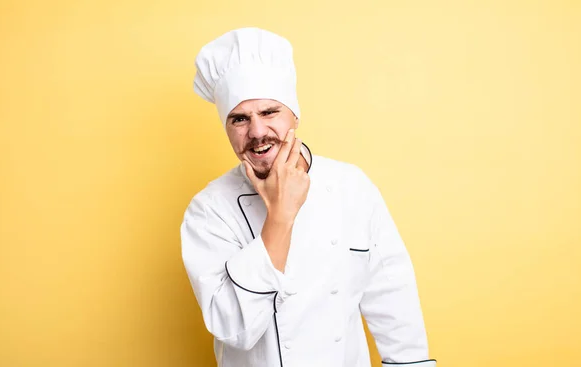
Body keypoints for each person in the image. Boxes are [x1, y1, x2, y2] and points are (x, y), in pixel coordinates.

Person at [181, 27, 436, 367]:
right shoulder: (209, 210)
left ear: (295, 115)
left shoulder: (350, 186)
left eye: (270, 112)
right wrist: (280, 216)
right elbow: (235, 328)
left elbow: (391, 294)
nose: (257, 132)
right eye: (239, 119)